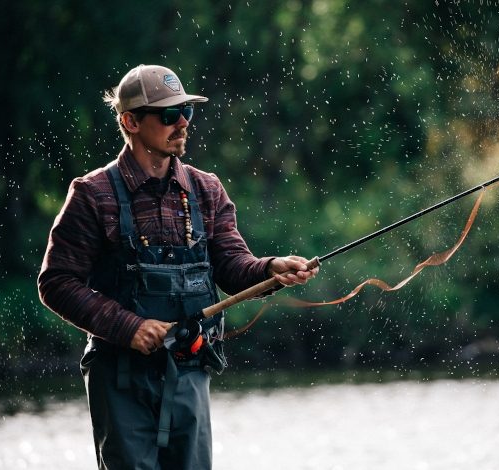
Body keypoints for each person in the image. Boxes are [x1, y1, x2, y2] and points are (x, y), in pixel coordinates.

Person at [38, 64, 318, 470]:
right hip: (119, 376)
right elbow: (56, 282)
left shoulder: (206, 189)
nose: (182, 122)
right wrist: (128, 327)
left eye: (186, 111)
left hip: (190, 368)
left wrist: (271, 268)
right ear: (130, 121)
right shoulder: (92, 194)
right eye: (168, 115)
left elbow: (232, 266)